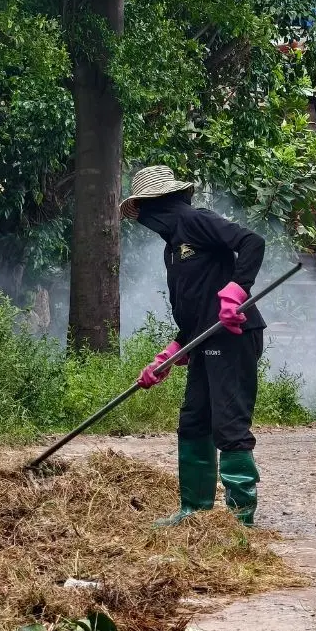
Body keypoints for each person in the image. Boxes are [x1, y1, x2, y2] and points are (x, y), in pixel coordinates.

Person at [119, 165, 267, 526]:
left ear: (157, 205)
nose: (145, 221)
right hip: (203, 340)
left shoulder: (194, 221)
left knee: (228, 425)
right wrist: (172, 352)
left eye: (146, 211)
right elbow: (196, 310)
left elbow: (251, 242)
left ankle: (240, 520)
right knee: (194, 421)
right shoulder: (172, 248)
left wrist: (236, 290)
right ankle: (195, 511)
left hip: (232, 337)